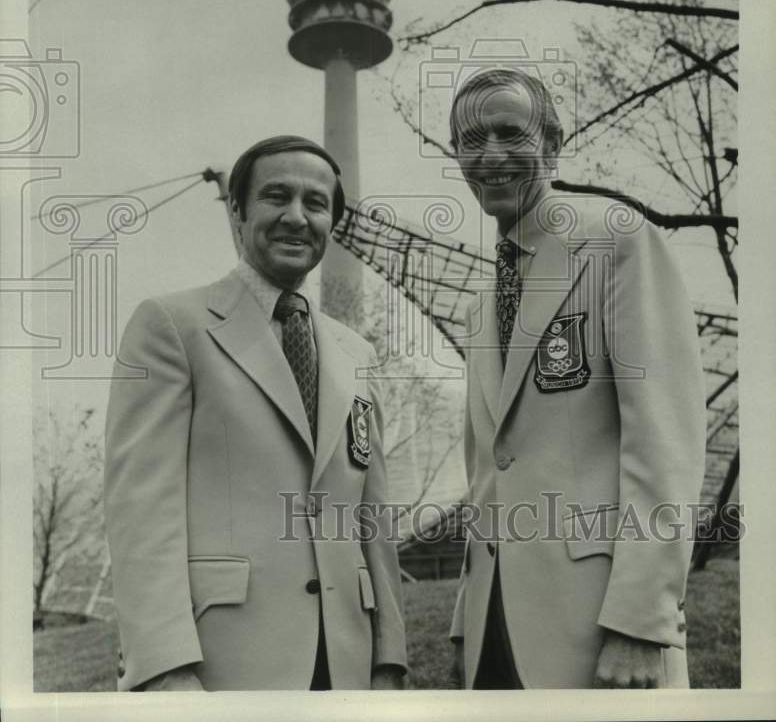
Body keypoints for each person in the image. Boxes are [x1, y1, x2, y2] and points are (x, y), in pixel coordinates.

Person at [104, 136, 407, 691]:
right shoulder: (172, 325)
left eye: (316, 204)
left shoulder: (355, 353)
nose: (297, 217)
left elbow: (372, 518)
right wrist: (164, 666)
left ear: (331, 223)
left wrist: (388, 658)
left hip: (347, 665)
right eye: (276, 196)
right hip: (221, 664)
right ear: (238, 211)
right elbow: (140, 512)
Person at [447, 68, 706, 689]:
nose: (490, 155)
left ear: (555, 143)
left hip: (600, 627)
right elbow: (489, 468)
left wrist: (642, 621)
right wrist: (465, 620)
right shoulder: (481, 300)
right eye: (469, 140)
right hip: (495, 627)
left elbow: (664, 442)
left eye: (511, 132)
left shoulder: (617, 241)